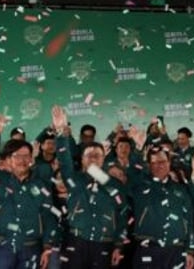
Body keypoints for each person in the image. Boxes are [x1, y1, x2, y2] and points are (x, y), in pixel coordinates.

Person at [0, 114, 60, 269]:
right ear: (7, 160)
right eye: (17, 156)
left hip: (31, 247)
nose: (22, 160)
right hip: (1, 246)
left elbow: (49, 217)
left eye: (26, 156)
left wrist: (48, 246)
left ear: (32, 159)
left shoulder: (41, 186)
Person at [50, 106, 125, 268]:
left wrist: (119, 245)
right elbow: (64, 160)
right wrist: (61, 133)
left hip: (104, 244)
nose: (93, 158)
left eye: (97, 155)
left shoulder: (112, 183)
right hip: (76, 242)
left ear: (104, 159)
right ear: (82, 160)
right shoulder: (74, 179)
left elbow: (122, 214)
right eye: (88, 155)